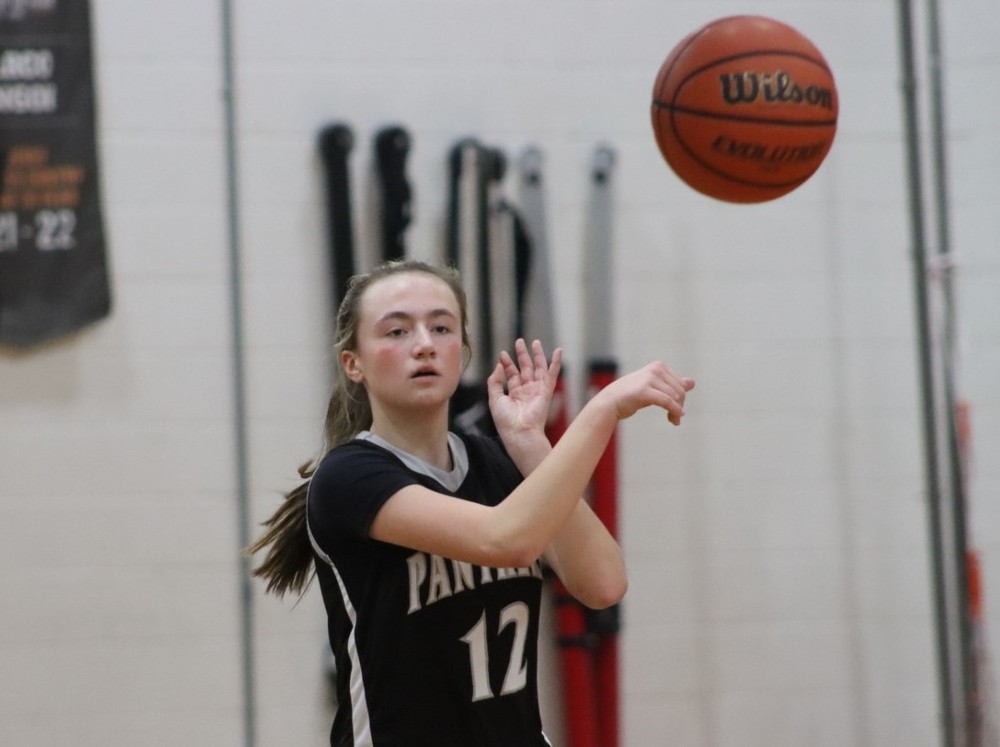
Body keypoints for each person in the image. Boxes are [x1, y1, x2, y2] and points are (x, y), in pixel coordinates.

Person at [247, 259, 695, 746]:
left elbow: (603, 584)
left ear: (462, 352)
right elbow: (507, 539)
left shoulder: (493, 462)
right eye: (396, 331)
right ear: (353, 365)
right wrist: (602, 410)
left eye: (441, 327)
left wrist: (530, 445)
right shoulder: (350, 477)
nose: (423, 344)